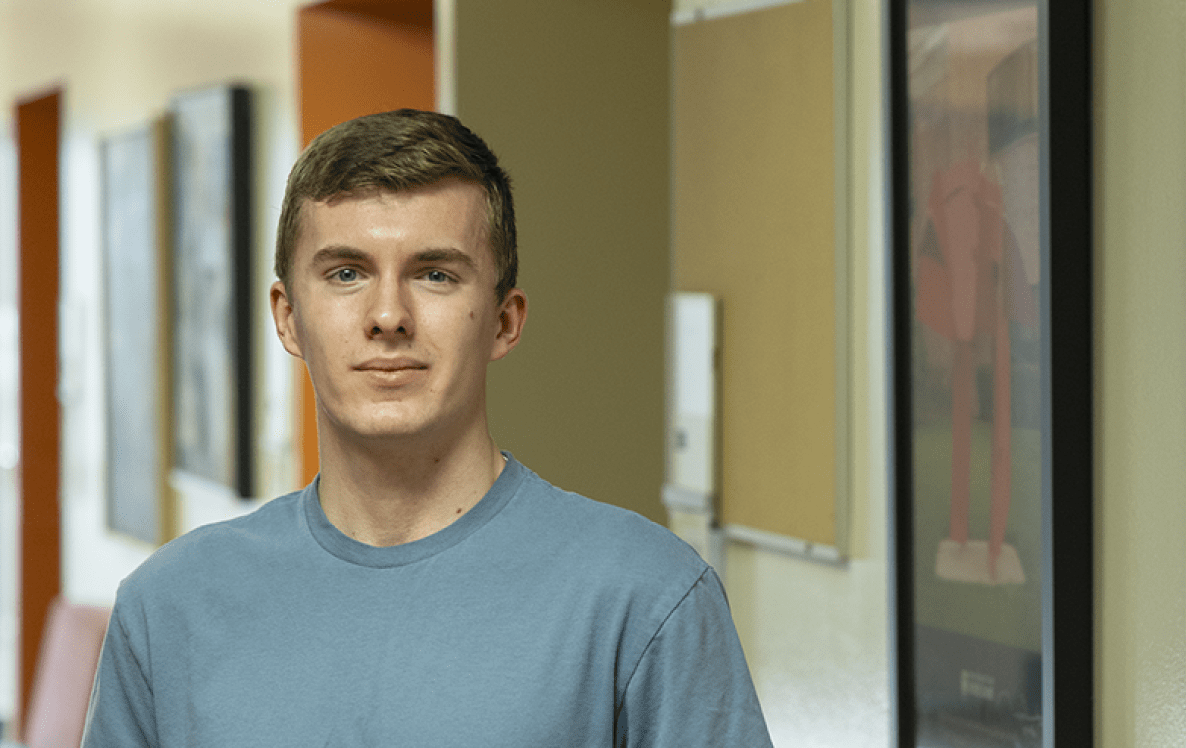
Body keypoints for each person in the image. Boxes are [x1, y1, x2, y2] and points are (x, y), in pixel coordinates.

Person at [81, 109, 773, 746]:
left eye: (436, 274)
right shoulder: (169, 609)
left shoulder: (644, 598)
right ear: (288, 318)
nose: (389, 316)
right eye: (347, 272)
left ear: (504, 321)